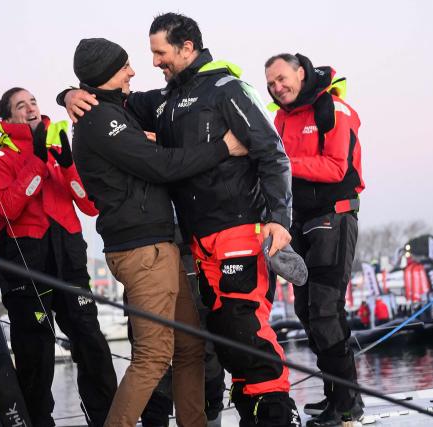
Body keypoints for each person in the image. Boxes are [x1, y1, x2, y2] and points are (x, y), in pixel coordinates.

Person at [60, 14, 300, 427]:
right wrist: (68, 93)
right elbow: (117, 114)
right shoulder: (162, 101)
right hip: (192, 241)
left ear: (187, 47)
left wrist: (279, 218)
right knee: (222, 335)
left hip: (238, 228)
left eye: (159, 52)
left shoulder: (225, 89)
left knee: (241, 329)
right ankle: (254, 414)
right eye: (146, 55)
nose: (150, 63)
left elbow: (272, 153)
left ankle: (277, 415)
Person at [0, 87, 117, 427]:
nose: (30, 108)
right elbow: (8, 207)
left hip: (68, 258)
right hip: (27, 264)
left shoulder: (59, 153)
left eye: (32, 102)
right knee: (35, 355)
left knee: (91, 343)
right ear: (7, 118)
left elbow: (89, 205)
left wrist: (69, 166)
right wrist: (38, 164)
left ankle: (109, 420)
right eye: (20, 105)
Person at [265, 53, 366, 426]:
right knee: (307, 313)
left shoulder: (334, 109)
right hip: (298, 220)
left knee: (325, 311)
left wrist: (285, 162)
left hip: (334, 215)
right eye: (271, 83)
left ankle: (348, 405)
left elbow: (337, 166)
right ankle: (333, 398)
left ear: (301, 73)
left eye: (282, 78)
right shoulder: (280, 117)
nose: (277, 87)